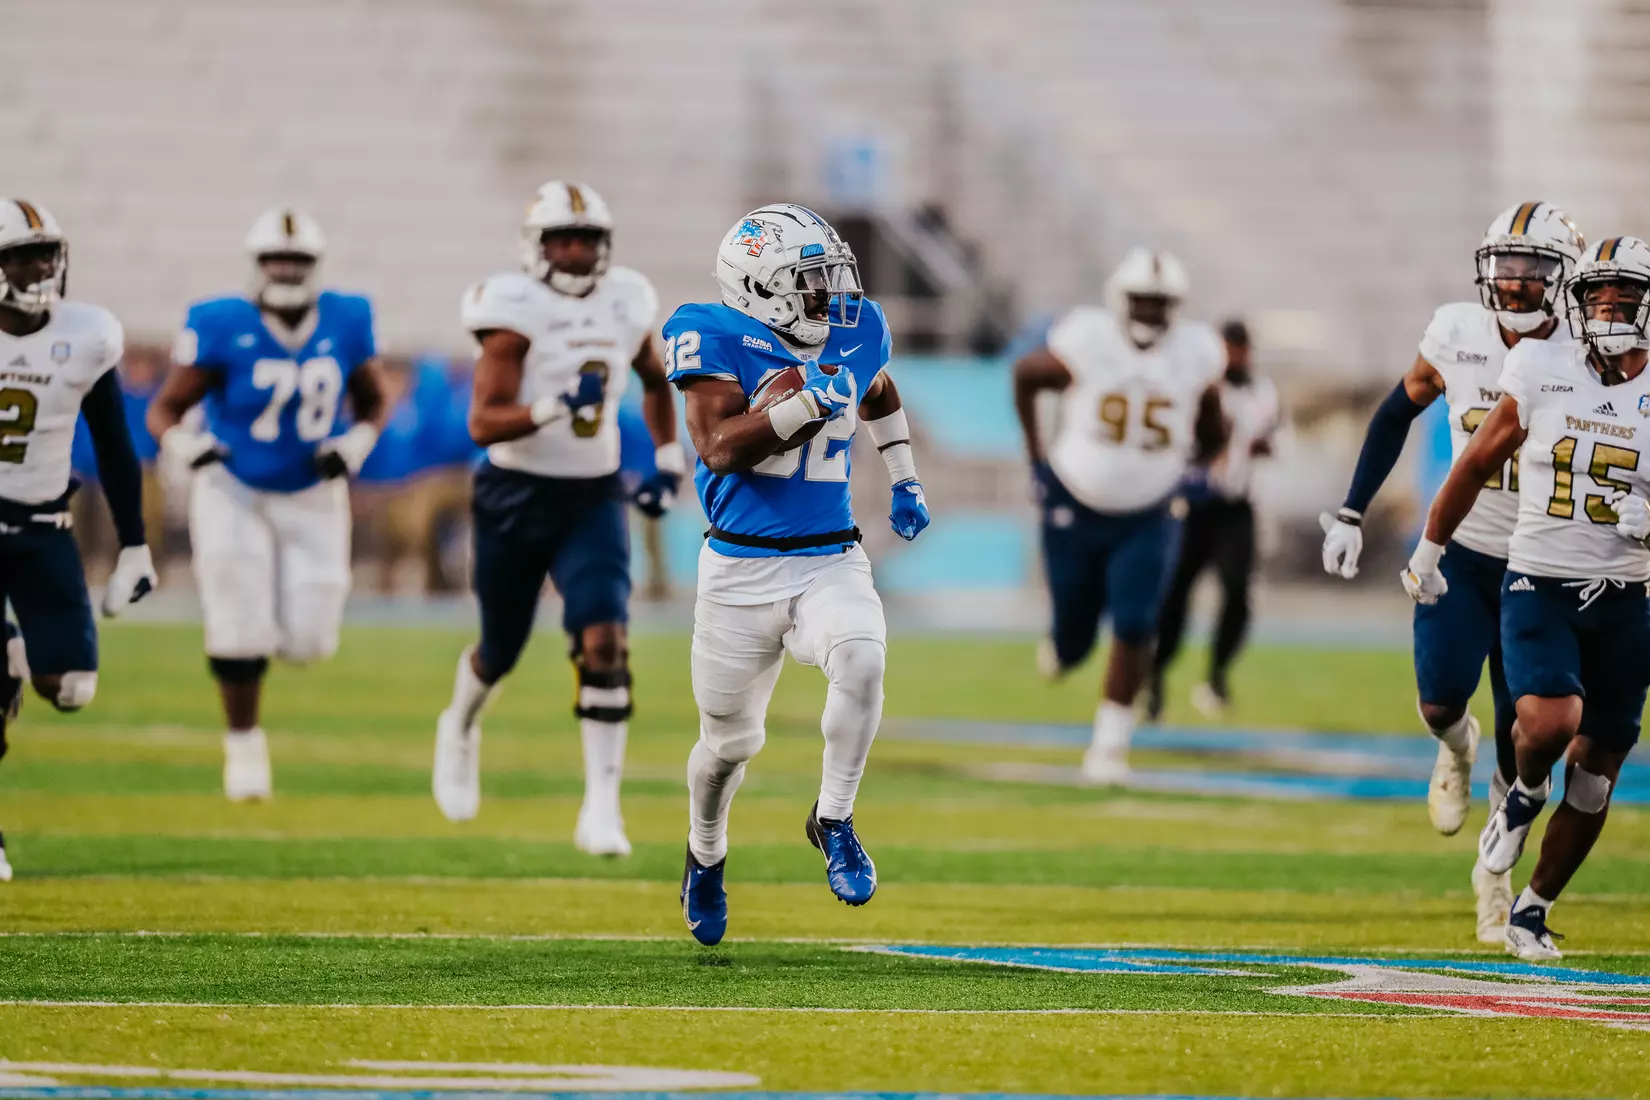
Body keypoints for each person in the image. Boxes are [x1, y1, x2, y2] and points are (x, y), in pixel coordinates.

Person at [1320, 202, 1584, 942]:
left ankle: (1493, 879)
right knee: (1439, 701)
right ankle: (1452, 747)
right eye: (1505, 265)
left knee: (1526, 737)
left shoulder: (1584, 356)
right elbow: (1394, 412)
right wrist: (1351, 511)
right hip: (1462, 553)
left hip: (1545, 565)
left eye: (1532, 268)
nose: (1514, 281)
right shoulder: (1458, 334)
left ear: (1562, 278)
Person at [667, 204, 930, 945]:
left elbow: (876, 389)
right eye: (812, 281)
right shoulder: (712, 334)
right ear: (760, 286)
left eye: (831, 276)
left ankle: (833, 817)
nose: (831, 295)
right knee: (728, 747)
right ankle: (705, 852)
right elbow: (719, 448)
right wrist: (803, 406)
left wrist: (904, 476)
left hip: (828, 556)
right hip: (738, 569)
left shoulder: (855, 327)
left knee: (863, 658)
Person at [1404, 234, 1650, 961]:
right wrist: (1430, 548)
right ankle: (1523, 795)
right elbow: (1476, 461)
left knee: (1596, 780)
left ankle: (1533, 910)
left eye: (1625, 299)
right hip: (1539, 579)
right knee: (1548, 721)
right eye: (1598, 297)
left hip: (1628, 596)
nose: (1609, 310)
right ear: (1577, 302)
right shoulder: (1543, 365)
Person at [431, 182, 682, 858]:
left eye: (586, 240)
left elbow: (655, 379)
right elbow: (483, 423)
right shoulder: (513, 310)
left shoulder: (626, 299)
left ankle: (602, 807)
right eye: (562, 240)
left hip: (591, 496)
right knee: (500, 649)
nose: (574, 253)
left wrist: (668, 460)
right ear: (536, 247)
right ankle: (460, 726)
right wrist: (553, 406)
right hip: (514, 494)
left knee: (606, 640)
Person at [147, 208, 389, 802]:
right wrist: (185, 445)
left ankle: (265, 632)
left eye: (296, 260)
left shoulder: (348, 317)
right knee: (236, 627)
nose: (285, 270)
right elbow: (165, 408)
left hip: (314, 490)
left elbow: (375, 400)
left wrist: (356, 443)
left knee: (311, 641)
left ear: (315, 266)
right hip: (233, 487)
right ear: (256, 265)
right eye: (275, 260)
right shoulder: (219, 321)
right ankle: (244, 745)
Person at [1012, 248, 1225, 784]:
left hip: (1150, 510)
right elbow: (1026, 374)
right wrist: (1036, 458)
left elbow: (1213, 423)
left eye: (1160, 302)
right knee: (1075, 634)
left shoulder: (1196, 351)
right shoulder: (1089, 336)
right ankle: (1065, 650)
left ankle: (1109, 748)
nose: (1150, 311)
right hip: (1075, 499)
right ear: (1120, 300)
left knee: (1135, 623)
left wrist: (1199, 467)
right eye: (1141, 300)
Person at [0, 198, 156, 881]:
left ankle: (13, 649)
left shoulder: (85, 335)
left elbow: (115, 445)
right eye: (22, 255)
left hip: (44, 528)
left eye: (47, 252)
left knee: (70, 688)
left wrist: (135, 545)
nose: (41, 267)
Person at [1149, 318, 1281, 719]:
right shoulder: (1196, 387)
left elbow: (1277, 439)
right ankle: (1154, 673)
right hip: (1193, 507)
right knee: (1174, 595)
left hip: (1236, 506)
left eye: (1240, 349)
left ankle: (1217, 675)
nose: (1235, 357)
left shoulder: (1262, 391)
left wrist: (1258, 446)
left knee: (1237, 590)